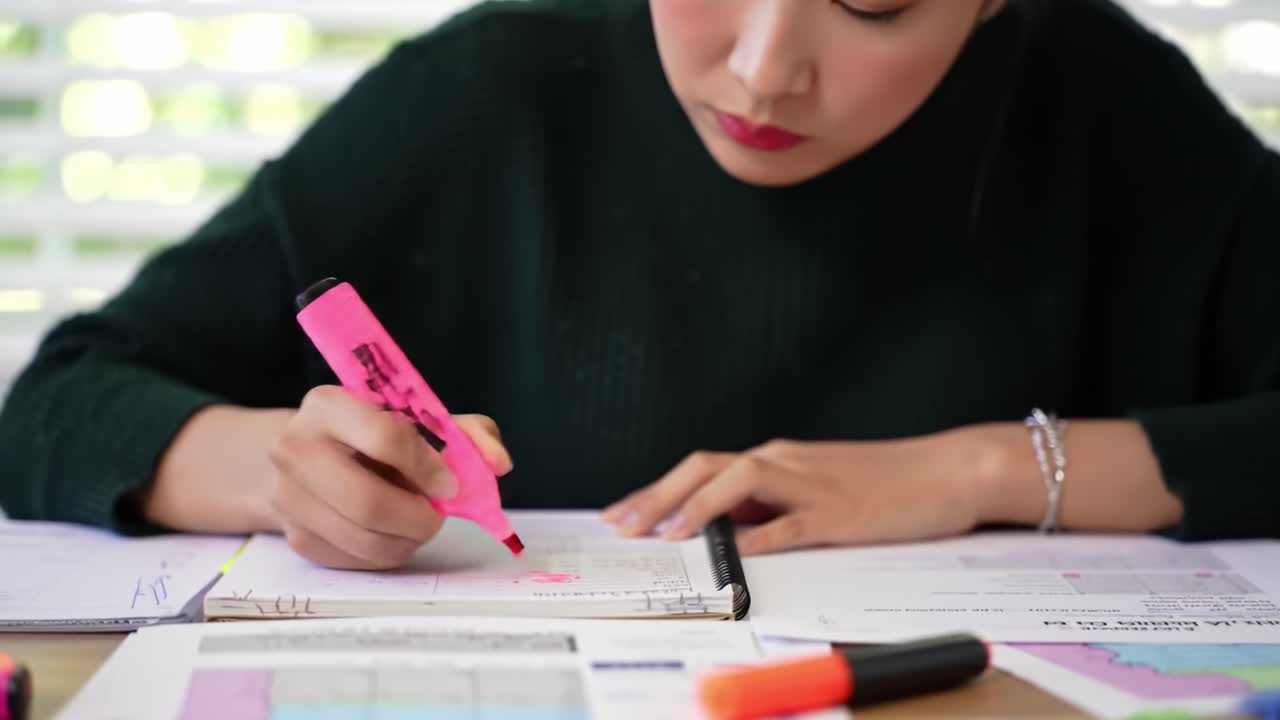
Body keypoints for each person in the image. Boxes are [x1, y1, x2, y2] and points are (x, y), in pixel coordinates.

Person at [1, 0, 1277, 571]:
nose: (765, 70)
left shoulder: (1111, 108)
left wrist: (977, 473)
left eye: (874, 1)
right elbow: (55, 405)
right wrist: (277, 471)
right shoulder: (488, 93)